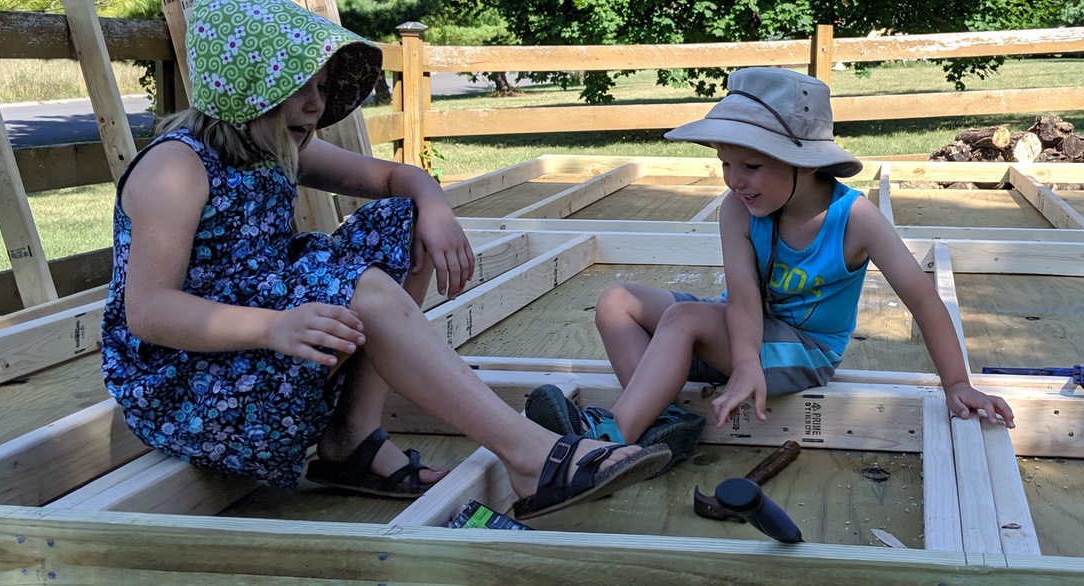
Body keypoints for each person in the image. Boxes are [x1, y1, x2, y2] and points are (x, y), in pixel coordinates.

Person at [100, 0, 667, 519]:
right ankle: (530, 456)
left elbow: (400, 178)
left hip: (260, 348)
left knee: (406, 219)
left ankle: (352, 436)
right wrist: (274, 326)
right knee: (359, 284)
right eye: (301, 86)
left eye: (322, 87)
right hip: (189, 393)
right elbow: (148, 313)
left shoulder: (273, 146)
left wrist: (435, 206)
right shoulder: (175, 169)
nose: (316, 104)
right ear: (248, 88)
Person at [525, 68, 1015, 473]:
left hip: (806, 351)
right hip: (746, 332)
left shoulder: (855, 219)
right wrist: (744, 362)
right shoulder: (737, 207)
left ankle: (609, 442)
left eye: (750, 166)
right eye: (725, 163)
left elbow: (924, 301)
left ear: (803, 163)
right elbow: (741, 299)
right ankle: (659, 426)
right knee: (616, 302)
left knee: (683, 321)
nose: (734, 180)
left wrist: (956, 383)